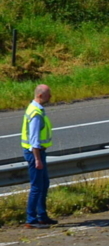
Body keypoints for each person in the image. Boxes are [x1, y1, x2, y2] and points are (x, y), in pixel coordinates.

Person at [21, 84, 56, 228]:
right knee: (37, 187)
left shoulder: (35, 109)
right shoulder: (36, 113)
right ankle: (31, 219)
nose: (51, 97)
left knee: (44, 184)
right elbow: (34, 139)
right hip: (35, 153)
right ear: (41, 96)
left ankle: (42, 216)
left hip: (38, 152)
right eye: (49, 94)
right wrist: (37, 159)